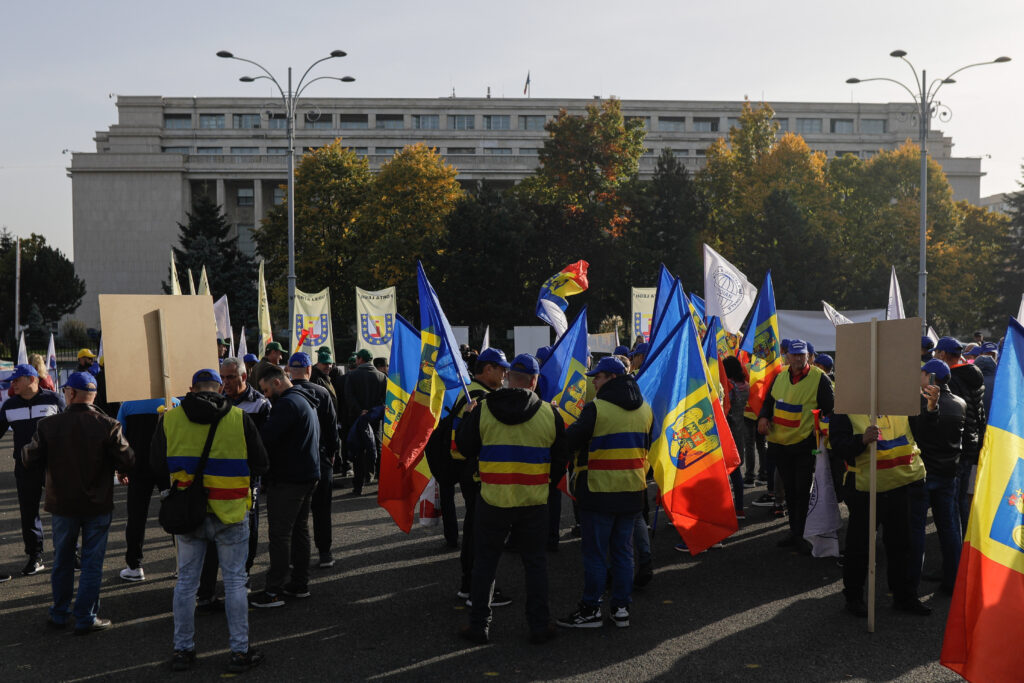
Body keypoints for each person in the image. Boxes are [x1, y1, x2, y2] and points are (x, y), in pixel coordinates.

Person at [150, 368, 268, 672]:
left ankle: (183, 650)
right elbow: (261, 463)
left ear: (192, 389)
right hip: (230, 511)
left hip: (188, 512)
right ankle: (239, 652)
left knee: (186, 583)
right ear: (220, 388)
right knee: (235, 583)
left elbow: (155, 464)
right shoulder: (239, 418)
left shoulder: (169, 418)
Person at [455, 353, 567, 644]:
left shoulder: (483, 409)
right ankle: (539, 626)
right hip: (534, 501)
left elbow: (465, 448)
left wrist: (468, 416)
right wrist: (545, 483)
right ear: (534, 381)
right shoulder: (549, 413)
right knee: (535, 564)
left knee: (485, 564)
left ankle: (479, 626)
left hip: (493, 499)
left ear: (507, 378)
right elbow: (560, 459)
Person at [22, 371, 134, 633]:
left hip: (63, 504)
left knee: (62, 560)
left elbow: (29, 459)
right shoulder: (108, 425)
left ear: (71, 393)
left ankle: (60, 613)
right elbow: (128, 459)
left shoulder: (49, 425)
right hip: (98, 504)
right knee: (92, 562)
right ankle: (85, 616)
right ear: (92, 396)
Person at [558, 356, 652, 630]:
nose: (594, 382)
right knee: (623, 553)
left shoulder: (596, 409)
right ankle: (621, 608)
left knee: (596, 554)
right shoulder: (645, 409)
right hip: (633, 490)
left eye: (597, 377)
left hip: (599, 491)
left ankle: (590, 610)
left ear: (611, 378)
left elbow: (569, 441)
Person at [829, 404, 931, 617]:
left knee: (900, 544)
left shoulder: (900, 404)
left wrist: (932, 409)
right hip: (864, 489)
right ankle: (854, 598)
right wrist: (861, 440)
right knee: (859, 546)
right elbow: (838, 446)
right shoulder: (847, 407)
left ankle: (904, 596)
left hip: (898, 484)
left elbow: (924, 434)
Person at [196, 357, 271, 607]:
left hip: (246, 480)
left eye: (230, 377)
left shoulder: (260, 404)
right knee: (212, 531)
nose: (225, 382)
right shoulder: (217, 403)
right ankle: (209, 587)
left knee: (248, 527)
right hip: (216, 479)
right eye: (223, 377)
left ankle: (244, 575)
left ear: (243, 377)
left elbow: (260, 448)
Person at [437, 348, 509, 596]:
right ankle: (476, 589)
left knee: (476, 530)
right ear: (488, 369)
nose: (505, 373)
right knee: (481, 533)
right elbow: (459, 444)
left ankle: (473, 586)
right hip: (478, 474)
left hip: (476, 473)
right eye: (502, 369)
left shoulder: (480, 394)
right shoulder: (479, 398)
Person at [251, 365, 320, 608]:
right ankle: (299, 583)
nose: (266, 395)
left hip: (289, 479)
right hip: (306, 475)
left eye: (266, 390)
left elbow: (264, 440)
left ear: (277, 383)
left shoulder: (287, 404)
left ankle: (273, 591)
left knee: (280, 535)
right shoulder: (303, 399)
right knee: (299, 531)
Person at [757, 339, 834, 552]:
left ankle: (803, 533)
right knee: (790, 490)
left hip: (805, 445)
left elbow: (831, 409)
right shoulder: (780, 376)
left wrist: (821, 428)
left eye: (803, 354)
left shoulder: (820, 379)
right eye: (795, 354)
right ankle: (795, 531)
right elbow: (768, 403)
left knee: (802, 490)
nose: (799, 358)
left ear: (809, 356)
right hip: (780, 445)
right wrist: (763, 417)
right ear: (787, 356)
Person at [0, 363, 65, 577]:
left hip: (54, 465)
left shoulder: (54, 399)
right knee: (28, 513)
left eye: (17, 380)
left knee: (63, 510)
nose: (13, 384)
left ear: (32, 379)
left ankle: (68, 553)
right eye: (12, 381)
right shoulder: (9, 405)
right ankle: (35, 556)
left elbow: (70, 427)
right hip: (25, 466)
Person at [907, 359, 965, 596]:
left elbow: (917, 434)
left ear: (930, 377)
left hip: (924, 473)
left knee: (917, 529)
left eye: (921, 373)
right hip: (949, 473)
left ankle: (910, 585)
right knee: (949, 528)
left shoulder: (922, 405)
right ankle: (953, 579)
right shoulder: (960, 404)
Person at [117, 396, 181, 582]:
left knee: (136, 517)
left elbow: (121, 438)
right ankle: (182, 563)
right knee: (176, 514)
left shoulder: (128, 404)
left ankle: (134, 566)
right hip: (168, 467)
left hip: (139, 468)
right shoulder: (174, 401)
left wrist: (121, 468)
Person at [287, 352, 340, 568]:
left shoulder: (284, 395)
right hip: (320, 458)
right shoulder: (322, 392)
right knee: (322, 509)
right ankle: (325, 553)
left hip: (292, 462)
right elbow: (332, 429)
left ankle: (295, 558)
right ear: (309, 370)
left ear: (289, 370)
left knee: (294, 513)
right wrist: (332, 454)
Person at [934, 337, 986, 534]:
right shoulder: (974, 375)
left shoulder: (952, 379)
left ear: (943, 355)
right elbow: (979, 413)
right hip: (972, 442)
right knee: (962, 498)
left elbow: (951, 416)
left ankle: (958, 550)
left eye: (938, 353)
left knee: (953, 502)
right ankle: (967, 541)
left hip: (957, 447)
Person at [344, 349, 387, 488]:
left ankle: (358, 485)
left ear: (360, 360)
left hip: (357, 419)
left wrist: (359, 411)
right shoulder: (381, 376)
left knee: (359, 450)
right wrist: (373, 412)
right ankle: (381, 484)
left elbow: (349, 396)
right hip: (375, 419)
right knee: (378, 449)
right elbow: (385, 400)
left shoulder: (352, 375)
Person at [723, 356, 750, 519]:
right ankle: (739, 508)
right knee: (736, 472)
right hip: (740, 431)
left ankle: (723, 508)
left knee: (724, 474)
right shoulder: (746, 385)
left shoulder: (729, 387)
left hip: (727, 431)